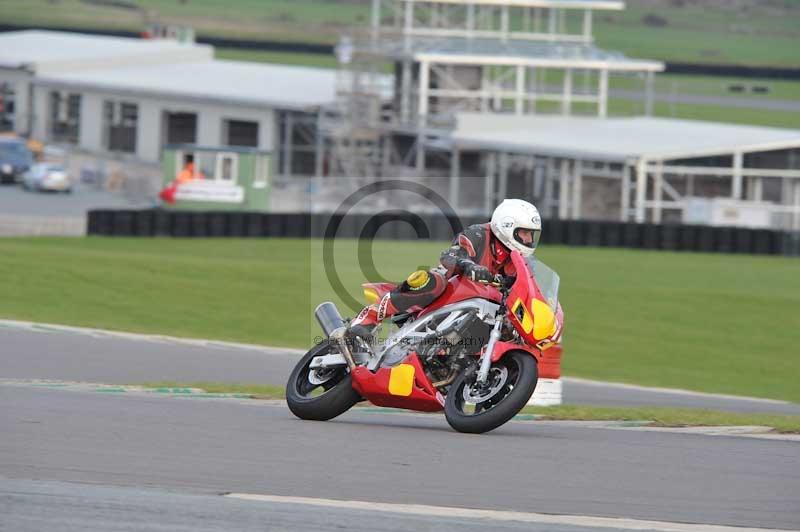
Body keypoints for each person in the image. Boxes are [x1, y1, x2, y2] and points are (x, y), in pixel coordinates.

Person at [349, 199, 542, 338]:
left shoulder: (518, 261)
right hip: (453, 289)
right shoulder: (479, 234)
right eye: (524, 233)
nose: (528, 240)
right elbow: (452, 254)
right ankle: (371, 316)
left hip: (484, 309)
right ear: (507, 226)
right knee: (432, 281)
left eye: (531, 235)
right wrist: (468, 265)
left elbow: (528, 288)